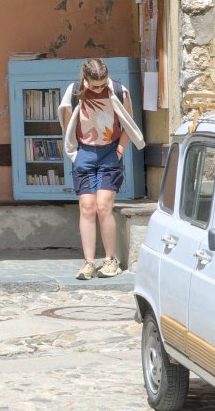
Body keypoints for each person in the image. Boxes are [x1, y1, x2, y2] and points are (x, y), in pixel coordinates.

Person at [59, 57, 145, 280]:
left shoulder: (119, 91)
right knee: (87, 207)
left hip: (109, 152)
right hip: (85, 153)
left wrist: (119, 151)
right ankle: (88, 263)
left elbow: (128, 123)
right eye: (94, 85)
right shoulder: (75, 91)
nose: (99, 88)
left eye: (103, 84)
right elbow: (69, 125)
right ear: (85, 79)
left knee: (103, 206)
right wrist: (75, 153)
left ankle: (110, 260)